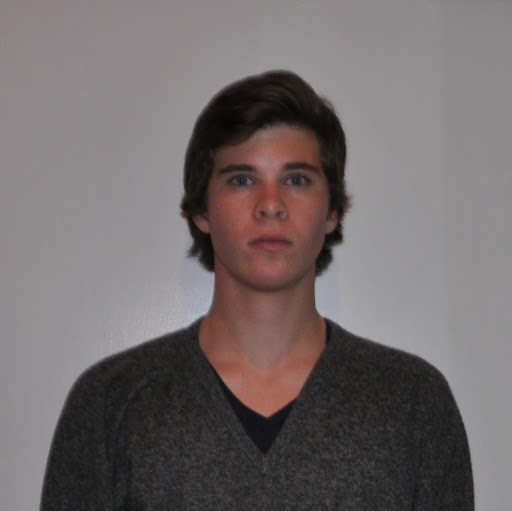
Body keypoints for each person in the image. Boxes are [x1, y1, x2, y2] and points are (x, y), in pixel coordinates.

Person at [41, 70, 473, 510]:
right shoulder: (111, 403)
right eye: (242, 180)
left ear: (332, 211)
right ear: (201, 211)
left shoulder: (412, 403)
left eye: (297, 179)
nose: (270, 205)